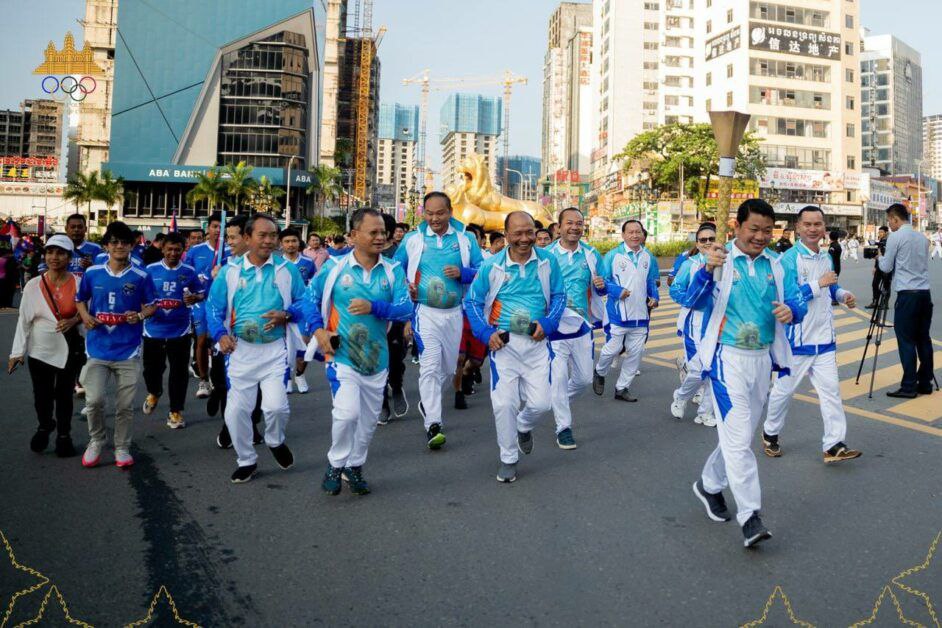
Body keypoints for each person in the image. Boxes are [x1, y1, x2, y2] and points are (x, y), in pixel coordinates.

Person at [685, 199, 805, 548]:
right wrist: (706, 271)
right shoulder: (719, 260)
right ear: (737, 227)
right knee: (739, 439)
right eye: (754, 229)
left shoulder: (777, 265)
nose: (761, 236)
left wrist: (791, 311)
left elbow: (796, 301)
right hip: (727, 359)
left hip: (762, 359)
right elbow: (691, 300)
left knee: (738, 436)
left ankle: (709, 485)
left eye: (767, 231)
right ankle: (750, 516)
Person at [306, 208, 413, 496]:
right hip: (342, 356)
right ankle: (335, 464)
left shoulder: (392, 270)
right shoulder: (334, 267)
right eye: (373, 232)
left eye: (383, 232)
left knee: (367, 422)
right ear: (354, 235)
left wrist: (374, 307)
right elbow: (308, 300)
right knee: (346, 414)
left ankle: (355, 466)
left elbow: (405, 308)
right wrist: (319, 332)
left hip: (377, 359)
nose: (380, 237)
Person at [465, 211, 566, 483]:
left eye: (529, 232)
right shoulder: (492, 266)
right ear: (506, 234)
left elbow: (559, 295)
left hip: (537, 344)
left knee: (542, 404)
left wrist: (548, 322)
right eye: (517, 233)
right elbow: (472, 302)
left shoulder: (547, 261)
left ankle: (523, 425)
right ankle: (508, 458)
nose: (524, 238)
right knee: (504, 404)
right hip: (504, 346)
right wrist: (486, 333)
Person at [206, 214, 307, 483]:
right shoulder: (230, 272)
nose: (269, 241)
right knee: (235, 412)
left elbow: (304, 302)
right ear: (247, 238)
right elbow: (213, 308)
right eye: (262, 235)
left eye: (273, 235)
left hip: (275, 351)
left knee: (275, 408)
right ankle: (247, 460)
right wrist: (220, 335)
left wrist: (287, 314)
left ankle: (275, 440)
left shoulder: (287, 271)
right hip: (241, 351)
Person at [762, 206, 862, 463]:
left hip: (824, 340)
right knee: (783, 392)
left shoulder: (826, 257)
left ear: (824, 227)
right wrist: (819, 284)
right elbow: (789, 297)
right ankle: (770, 433)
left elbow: (832, 287)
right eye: (807, 224)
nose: (813, 229)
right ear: (798, 227)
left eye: (817, 224)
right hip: (797, 342)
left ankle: (834, 444)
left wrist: (843, 295)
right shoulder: (788, 259)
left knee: (831, 393)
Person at [394, 191, 483, 449]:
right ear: (424, 213)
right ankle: (433, 423)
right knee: (430, 366)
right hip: (425, 312)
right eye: (429, 213)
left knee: (448, 369)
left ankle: (427, 401)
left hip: (454, 313)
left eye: (440, 213)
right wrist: (406, 286)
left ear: (450, 212)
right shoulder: (413, 239)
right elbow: (394, 269)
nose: (434, 218)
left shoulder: (465, 239)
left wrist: (463, 273)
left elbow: (483, 271)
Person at [516, 207, 604, 450]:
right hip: (553, 329)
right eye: (570, 223)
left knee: (584, 380)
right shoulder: (545, 255)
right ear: (559, 226)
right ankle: (563, 428)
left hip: (581, 327)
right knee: (558, 379)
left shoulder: (592, 254)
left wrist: (602, 285)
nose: (575, 227)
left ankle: (556, 401)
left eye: (579, 223)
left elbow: (604, 285)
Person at [75, 221, 157, 469]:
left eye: (124, 242)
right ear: (106, 246)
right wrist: (85, 316)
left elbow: (152, 305)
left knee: (124, 406)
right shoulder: (92, 273)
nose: (119, 246)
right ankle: (96, 440)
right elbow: (80, 299)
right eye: (114, 242)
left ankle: (122, 447)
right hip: (97, 348)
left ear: (132, 246)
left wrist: (139, 315)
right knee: (94, 401)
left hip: (128, 350)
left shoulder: (141, 276)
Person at [9, 235, 84, 457]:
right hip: (39, 350)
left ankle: (64, 435)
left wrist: (73, 320)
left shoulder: (79, 283)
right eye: (50, 252)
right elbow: (24, 320)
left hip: (69, 349)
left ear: (69, 257)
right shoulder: (33, 285)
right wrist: (17, 352)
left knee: (64, 395)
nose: (54, 257)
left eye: (60, 253)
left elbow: (87, 313)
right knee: (42, 396)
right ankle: (45, 425)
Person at [142, 232, 204, 429]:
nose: (173, 253)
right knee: (152, 369)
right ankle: (154, 392)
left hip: (180, 330)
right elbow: (140, 295)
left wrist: (194, 297)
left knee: (179, 372)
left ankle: (176, 411)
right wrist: (143, 310)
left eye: (177, 250)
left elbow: (201, 293)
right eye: (169, 249)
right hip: (153, 330)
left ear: (183, 250)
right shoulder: (150, 270)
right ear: (162, 249)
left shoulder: (189, 271)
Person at [593, 219, 659, 402]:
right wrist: (617, 291)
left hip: (640, 314)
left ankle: (622, 388)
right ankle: (600, 371)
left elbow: (651, 281)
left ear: (643, 234)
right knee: (612, 349)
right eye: (630, 232)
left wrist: (655, 298)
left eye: (638, 232)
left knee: (635, 354)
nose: (635, 235)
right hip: (618, 313)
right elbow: (601, 282)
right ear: (623, 235)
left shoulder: (648, 256)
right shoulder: (613, 256)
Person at [878, 203, 934, 399]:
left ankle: (909, 386)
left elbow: (886, 267)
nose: (889, 225)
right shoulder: (922, 238)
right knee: (923, 339)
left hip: (907, 294)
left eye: (889, 221)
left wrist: (879, 257)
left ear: (895, 219)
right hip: (924, 294)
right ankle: (925, 382)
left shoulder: (896, 237)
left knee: (906, 340)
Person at [669, 223, 718, 428]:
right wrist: (692, 300)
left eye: (711, 239)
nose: (707, 243)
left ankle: (705, 412)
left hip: (719, 324)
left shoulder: (728, 263)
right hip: (695, 325)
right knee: (698, 369)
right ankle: (681, 397)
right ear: (697, 244)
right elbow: (675, 289)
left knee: (714, 371)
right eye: (703, 240)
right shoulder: (689, 264)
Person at [184, 213, 224, 401]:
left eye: (221, 227)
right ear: (208, 228)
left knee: (220, 342)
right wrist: (188, 294)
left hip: (222, 304)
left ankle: (220, 379)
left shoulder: (230, 251)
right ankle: (203, 380)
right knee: (201, 341)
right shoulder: (195, 251)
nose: (218, 230)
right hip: (200, 303)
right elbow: (185, 276)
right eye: (215, 226)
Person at [378, 213, 410, 423]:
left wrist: (408, 320)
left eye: (379, 231)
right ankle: (382, 404)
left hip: (396, 317)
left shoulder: (399, 255)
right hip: (372, 320)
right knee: (377, 362)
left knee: (395, 360)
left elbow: (408, 286)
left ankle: (396, 386)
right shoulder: (361, 256)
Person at [866, 226, 890, 309]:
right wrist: (875, 267)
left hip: (887, 267)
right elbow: (878, 255)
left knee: (886, 286)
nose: (880, 234)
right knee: (874, 284)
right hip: (879, 266)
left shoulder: (890, 241)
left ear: (886, 232)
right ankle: (875, 302)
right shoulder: (880, 241)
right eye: (879, 232)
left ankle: (884, 303)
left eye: (881, 232)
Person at [0, 244, 16, 309]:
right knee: (7, 292)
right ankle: (7, 304)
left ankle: (2, 304)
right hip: (6, 277)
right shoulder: (7, 260)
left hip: (2, 277)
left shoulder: (3, 259)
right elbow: (11, 269)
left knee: (2, 292)